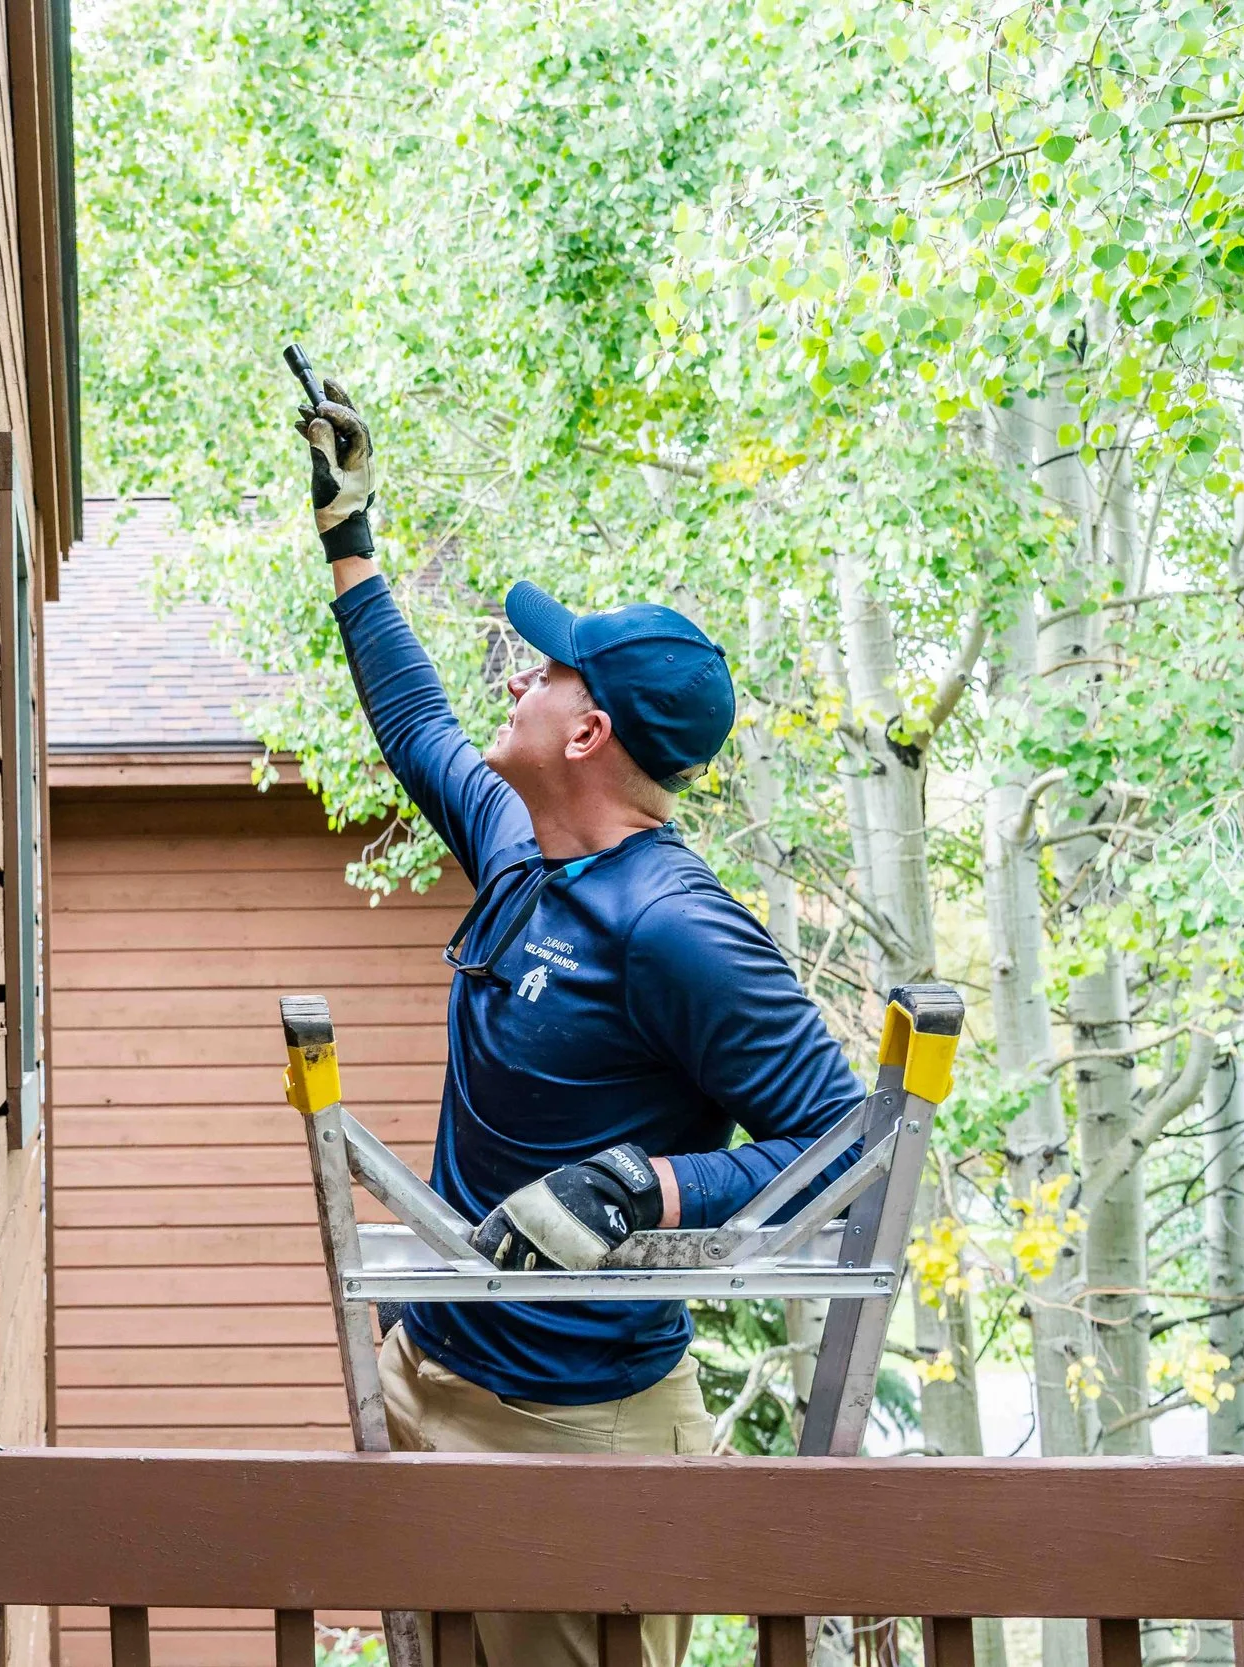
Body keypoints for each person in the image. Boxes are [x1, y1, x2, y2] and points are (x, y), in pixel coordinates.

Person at [293, 375, 864, 1667]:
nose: (520, 672)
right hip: (427, 1367)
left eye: (544, 668)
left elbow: (841, 1142)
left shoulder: (678, 925)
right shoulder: (515, 845)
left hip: (576, 1427)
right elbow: (414, 721)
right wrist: (349, 538)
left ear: (589, 727)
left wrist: (643, 1186)